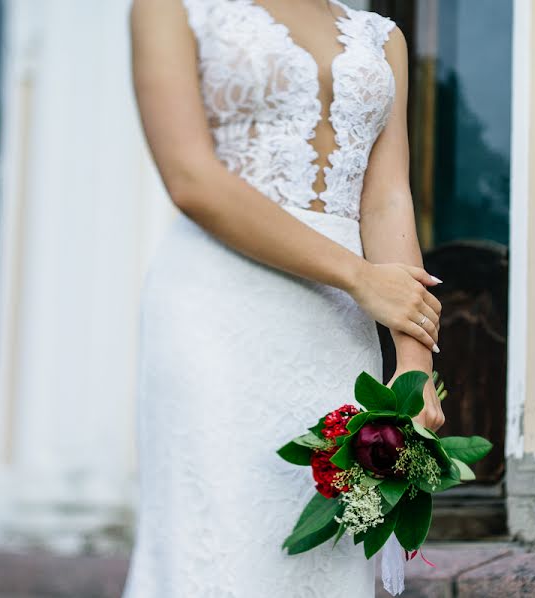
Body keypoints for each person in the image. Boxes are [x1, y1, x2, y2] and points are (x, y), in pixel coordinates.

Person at [123, 0, 445, 595]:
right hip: (218, 306)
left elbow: (387, 200)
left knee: (323, 557)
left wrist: (414, 367)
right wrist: (357, 276)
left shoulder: (381, 38)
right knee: (222, 539)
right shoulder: (171, 8)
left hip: (339, 330)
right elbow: (191, 179)